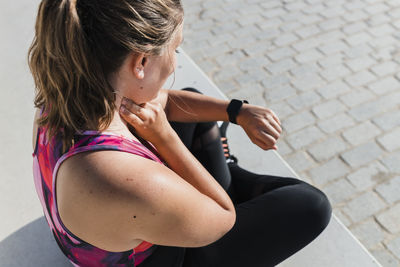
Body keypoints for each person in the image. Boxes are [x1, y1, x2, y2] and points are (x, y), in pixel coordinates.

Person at [29, 0, 332, 266]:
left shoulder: (73, 93)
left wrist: (237, 111)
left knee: (189, 106)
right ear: (141, 62)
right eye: (175, 49)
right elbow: (223, 219)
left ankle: (225, 175)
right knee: (310, 205)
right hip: (160, 258)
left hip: (122, 223)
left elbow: (166, 103)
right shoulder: (126, 178)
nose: (175, 60)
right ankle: (228, 173)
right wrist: (164, 138)